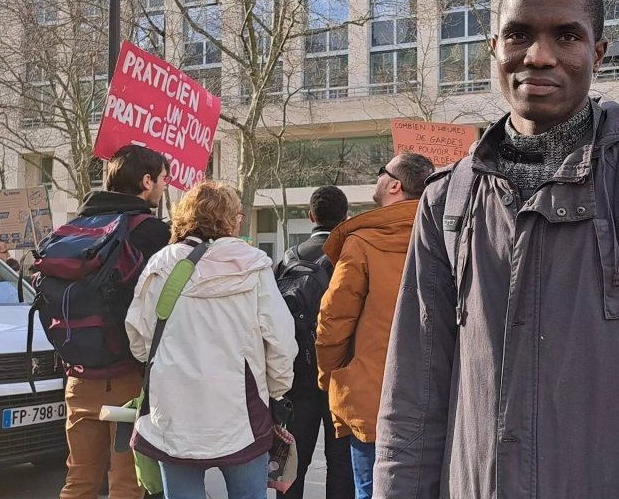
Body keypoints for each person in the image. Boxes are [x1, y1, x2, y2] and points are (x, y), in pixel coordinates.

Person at [374, 0, 619, 498]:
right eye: (519, 34)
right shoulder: (446, 199)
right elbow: (413, 392)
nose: (539, 55)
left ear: (597, 53)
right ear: (495, 47)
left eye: (566, 36)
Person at [125, 181, 298, 499]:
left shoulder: (161, 265)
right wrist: (277, 392)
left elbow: (138, 337)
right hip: (242, 413)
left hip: (173, 410)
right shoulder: (254, 265)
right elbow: (281, 341)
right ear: (234, 220)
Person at [316, 153, 435, 499]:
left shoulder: (362, 241)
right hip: (435, 393)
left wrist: (332, 375)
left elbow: (333, 321)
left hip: (374, 397)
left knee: (370, 491)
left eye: (381, 172)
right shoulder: (450, 234)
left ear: (395, 185)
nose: (378, 177)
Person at [60, 145, 171, 499]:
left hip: (78, 372)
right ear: (146, 181)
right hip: (128, 378)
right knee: (126, 483)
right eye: (163, 180)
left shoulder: (73, 228)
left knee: (79, 480)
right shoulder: (152, 233)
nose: (164, 188)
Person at [276, 186, 354, 499]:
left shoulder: (287, 259)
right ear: (346, 217)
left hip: (298, 376)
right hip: (342, 377)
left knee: (292, 465)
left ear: (310, 216)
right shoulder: (352, 255)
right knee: (341, 465)